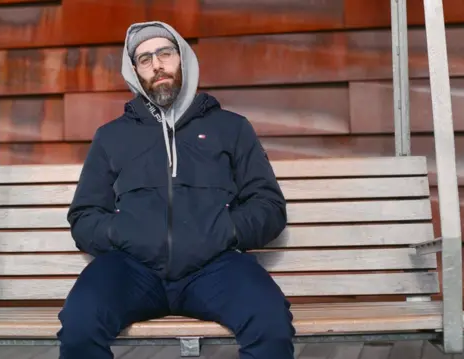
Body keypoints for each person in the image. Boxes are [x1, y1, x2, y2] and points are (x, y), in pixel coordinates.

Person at [58, 20, 295, 359]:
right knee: (80, 323)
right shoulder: (112, 137)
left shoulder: (230, 128)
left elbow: (268, 205)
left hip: (215, 267)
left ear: (183, 58)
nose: (157, 64)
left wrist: (223, 231)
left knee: (270, 323)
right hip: (132, 268)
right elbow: (84, 217)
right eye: (144, 59)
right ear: (134, 71)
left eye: (165, 53)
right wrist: (125, 233)